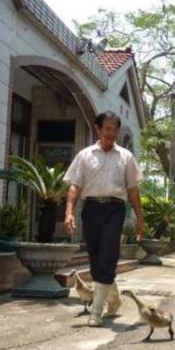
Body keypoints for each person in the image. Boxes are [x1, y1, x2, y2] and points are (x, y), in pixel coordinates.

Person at [63, 111, 145, 327]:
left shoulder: (126, 157)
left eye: (115, 129)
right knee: (96, 261)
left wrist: (139, 218)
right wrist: (69, 211)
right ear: (98, 129)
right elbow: (75, 186)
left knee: (108, 255)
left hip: (115, 209)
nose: (112, 133)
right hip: (91, 209)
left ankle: (96, 312)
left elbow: (133, 191)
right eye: (107, 129)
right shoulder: (85, 155)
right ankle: (114, 300)